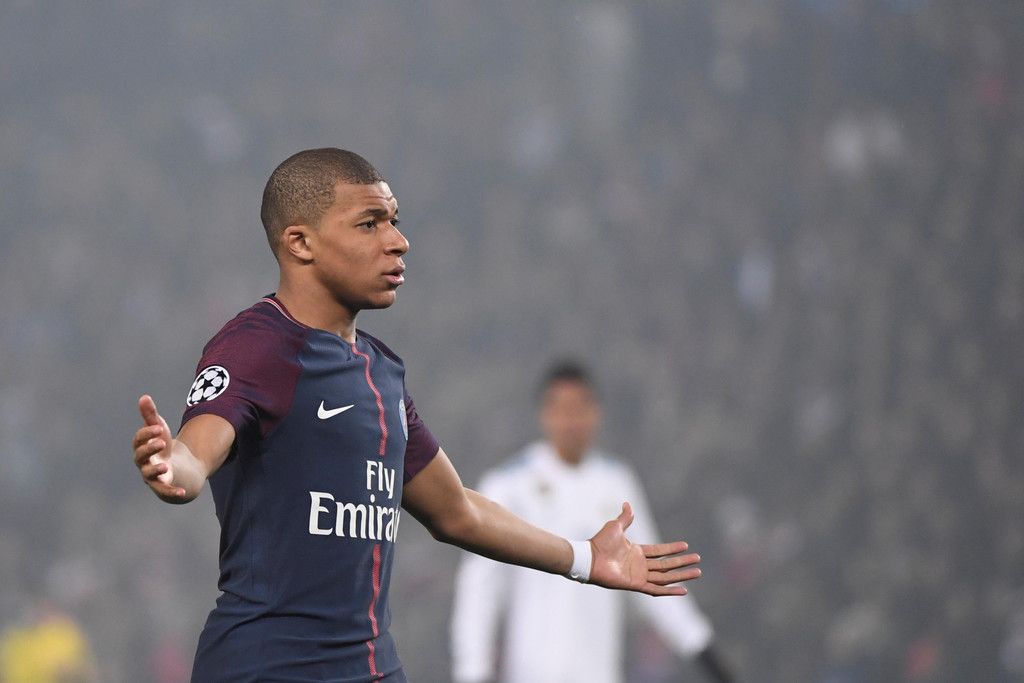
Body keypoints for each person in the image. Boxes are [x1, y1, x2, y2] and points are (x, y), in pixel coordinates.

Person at [130, 148, 703, 683]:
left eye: (394, 221)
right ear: (300, 242)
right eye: (369, 223)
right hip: (268, 665)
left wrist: (584, 557)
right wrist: (171, 465)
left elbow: (457, 512)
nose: (398, 241)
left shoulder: (381, 371)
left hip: (371, 666)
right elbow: (196, 453)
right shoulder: (258, 345)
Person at [451, 361, 734, 683]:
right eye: (562, 410)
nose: (571, 421)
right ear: (545, 415)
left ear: (596, 413)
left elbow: (650, 573)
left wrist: (702, 647)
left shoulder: (616, 483)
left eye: (580, 409)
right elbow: (480, 588)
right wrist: (472, 670)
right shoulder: (509, 485)